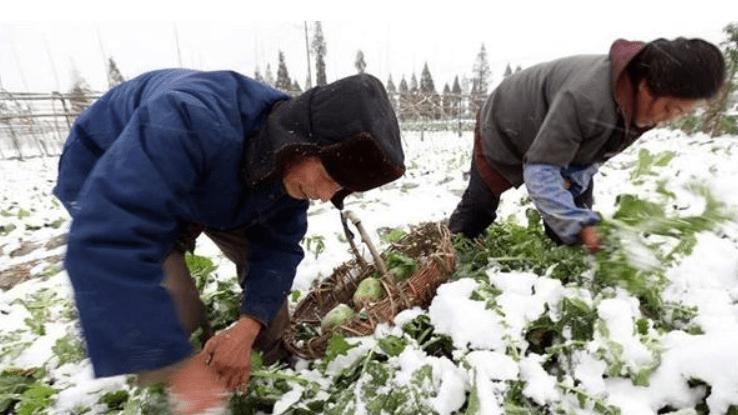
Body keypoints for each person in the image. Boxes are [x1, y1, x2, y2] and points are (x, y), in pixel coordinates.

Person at [54, 70, 404, 414]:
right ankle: (177, 394)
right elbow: (110, 237)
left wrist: (248, 327)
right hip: (115, 168)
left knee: (270, 319)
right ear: (302, 142)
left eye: (339, 190)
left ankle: (246, 377)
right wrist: (176, 365)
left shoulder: (287, 167)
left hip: (223, 184)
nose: (324, 195)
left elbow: (278, 250)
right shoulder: (189, 119)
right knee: (177, 310)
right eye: (327, 178)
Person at [449, 37, 726, 251]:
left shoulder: (642, 106)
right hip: (509, 122)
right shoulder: (586, 98)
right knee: (480, 204)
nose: (667, 119)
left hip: (559, 130)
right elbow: (540, 170)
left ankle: (564, 267)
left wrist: (574, 191)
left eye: (680, 113)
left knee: (577, 216)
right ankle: (449, 250)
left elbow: (596, 151)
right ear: (645, 87)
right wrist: (573, 217)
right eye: (670, 109)